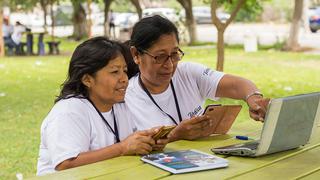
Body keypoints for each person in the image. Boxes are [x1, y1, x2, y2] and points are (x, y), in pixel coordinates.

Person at [125, 15, 270, 142]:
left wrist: (254, 99)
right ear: (136, 55)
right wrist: (176, 135)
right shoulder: (126, 99)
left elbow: (237, 85)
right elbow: (130, 147)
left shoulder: (188, 73)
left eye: (175, 54)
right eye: (160, 57)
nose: (169, 65)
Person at [37, 37, 167, 176]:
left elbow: (129, 144)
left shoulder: (120, 106)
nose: (124, 79)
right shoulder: (69, 111)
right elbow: (66, 164)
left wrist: (147, 141)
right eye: (115, 72)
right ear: (87, 79)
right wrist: (123, 148)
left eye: (124, 70)